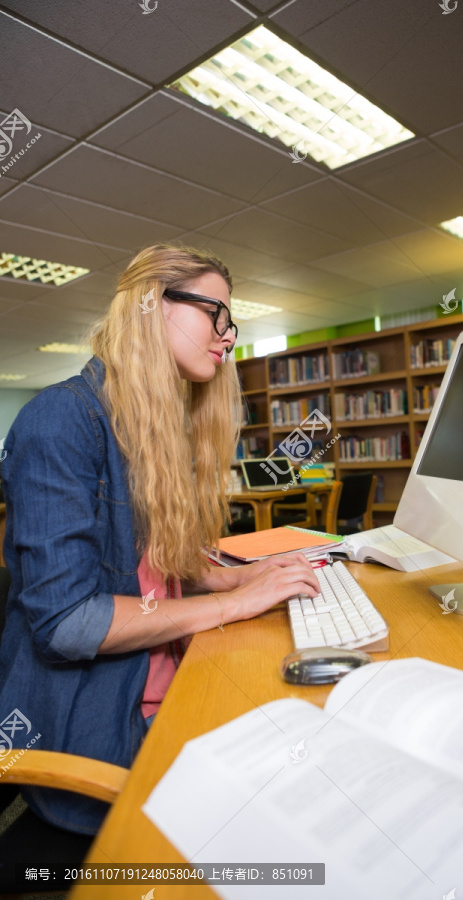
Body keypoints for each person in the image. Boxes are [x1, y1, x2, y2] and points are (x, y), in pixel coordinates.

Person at [0, 244, 319, 835]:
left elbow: (148, 563)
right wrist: (232, 603)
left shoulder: (154, 424)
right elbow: (66, 622)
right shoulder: (62, 419)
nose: (228, 336)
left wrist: (231, 577)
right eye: (214, 314)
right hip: (97, 731)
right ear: (152, 305)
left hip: (169, 684)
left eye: (232, 322)